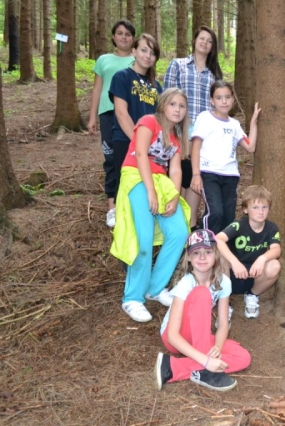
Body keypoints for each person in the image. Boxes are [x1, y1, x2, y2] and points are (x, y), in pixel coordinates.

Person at [110, 88, 190, 323]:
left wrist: (174, 197)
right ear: (162, 105)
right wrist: (150, 192)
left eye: (182, 106)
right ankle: (132, 298)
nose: (177, 109)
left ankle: (154, 288)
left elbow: (175, 170)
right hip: (136, 177)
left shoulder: (176, 137)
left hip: (160, 182)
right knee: (142, 239)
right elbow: (140, 155)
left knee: (179, 232)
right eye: (173, 104)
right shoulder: (148, 122)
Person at [155, 229, 251, 392]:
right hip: (176, 338)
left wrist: (218, 347)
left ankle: (172, 366)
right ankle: (204, 370)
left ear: (216, 254)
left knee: (243, 357)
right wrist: (207, 361)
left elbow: (223, 323)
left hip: (199, 336)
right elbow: (172, 335)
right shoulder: (186, 284)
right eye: (196, 253)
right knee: (202, 293)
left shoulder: (224, 282)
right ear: (189, 257)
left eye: (208, 252)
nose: (202, 257)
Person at [164, 26, 223, 231]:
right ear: (195, 40)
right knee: (178, 173)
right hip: (179, 129)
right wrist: (170, 130)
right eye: (202, 38)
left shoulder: (213, 74)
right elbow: (167, 97)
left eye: (209, 41)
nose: (205, 43)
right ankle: (174, 224)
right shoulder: (178, 65)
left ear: (212, 47)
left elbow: (216, 106)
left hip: (203, 134)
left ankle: (190, 225)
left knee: (196, 175)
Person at [190, 81, 261, 234]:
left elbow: (250, 147)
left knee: (228, 216)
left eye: (227, 97)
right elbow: (195, 146)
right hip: (209, 173)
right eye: (219, 98)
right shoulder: (204, 117)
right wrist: (196, 174)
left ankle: (223, 246)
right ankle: (206, 242)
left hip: (230, 175)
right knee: (215, 212)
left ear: (233, 99)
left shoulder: (234, 124)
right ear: (212, 100)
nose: (224, 101)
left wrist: (253, 122)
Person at [87, 20, 136, 227]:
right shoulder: (103, 60)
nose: (124, 37)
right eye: (120, 33)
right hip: (108, 114)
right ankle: (112, 207)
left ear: (133, 38)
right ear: (113, 37)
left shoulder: (137, 59)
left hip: (130, 114)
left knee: (131, 159)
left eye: (128, 34)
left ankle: (132, 204)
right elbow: (97, 89)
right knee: (111, 160)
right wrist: (92, 117)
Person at [108, 34, 162, 209]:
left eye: (152, 53)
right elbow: (121, 113)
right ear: (134, 51)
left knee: (148, 183)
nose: (147, 56)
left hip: (151, 146)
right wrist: (138, 142)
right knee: (124, 183)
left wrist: (151, 145)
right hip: (126, 140)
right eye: (143, 50)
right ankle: (118, 216)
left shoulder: (157, 87)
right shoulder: (122, 77)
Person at [216, 185, 281, 319]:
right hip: (232, 274)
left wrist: (262, 259)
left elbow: (276, 249)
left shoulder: (271, 228)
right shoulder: (238, 225)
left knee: (275, 265)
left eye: (264, 207)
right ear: (245, 209)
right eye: (255, 207)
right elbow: (218, 239)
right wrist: (234, 262)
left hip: (255, 275)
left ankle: (252, 295)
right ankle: (224, 301)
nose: (261, 212)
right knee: (221, 258)